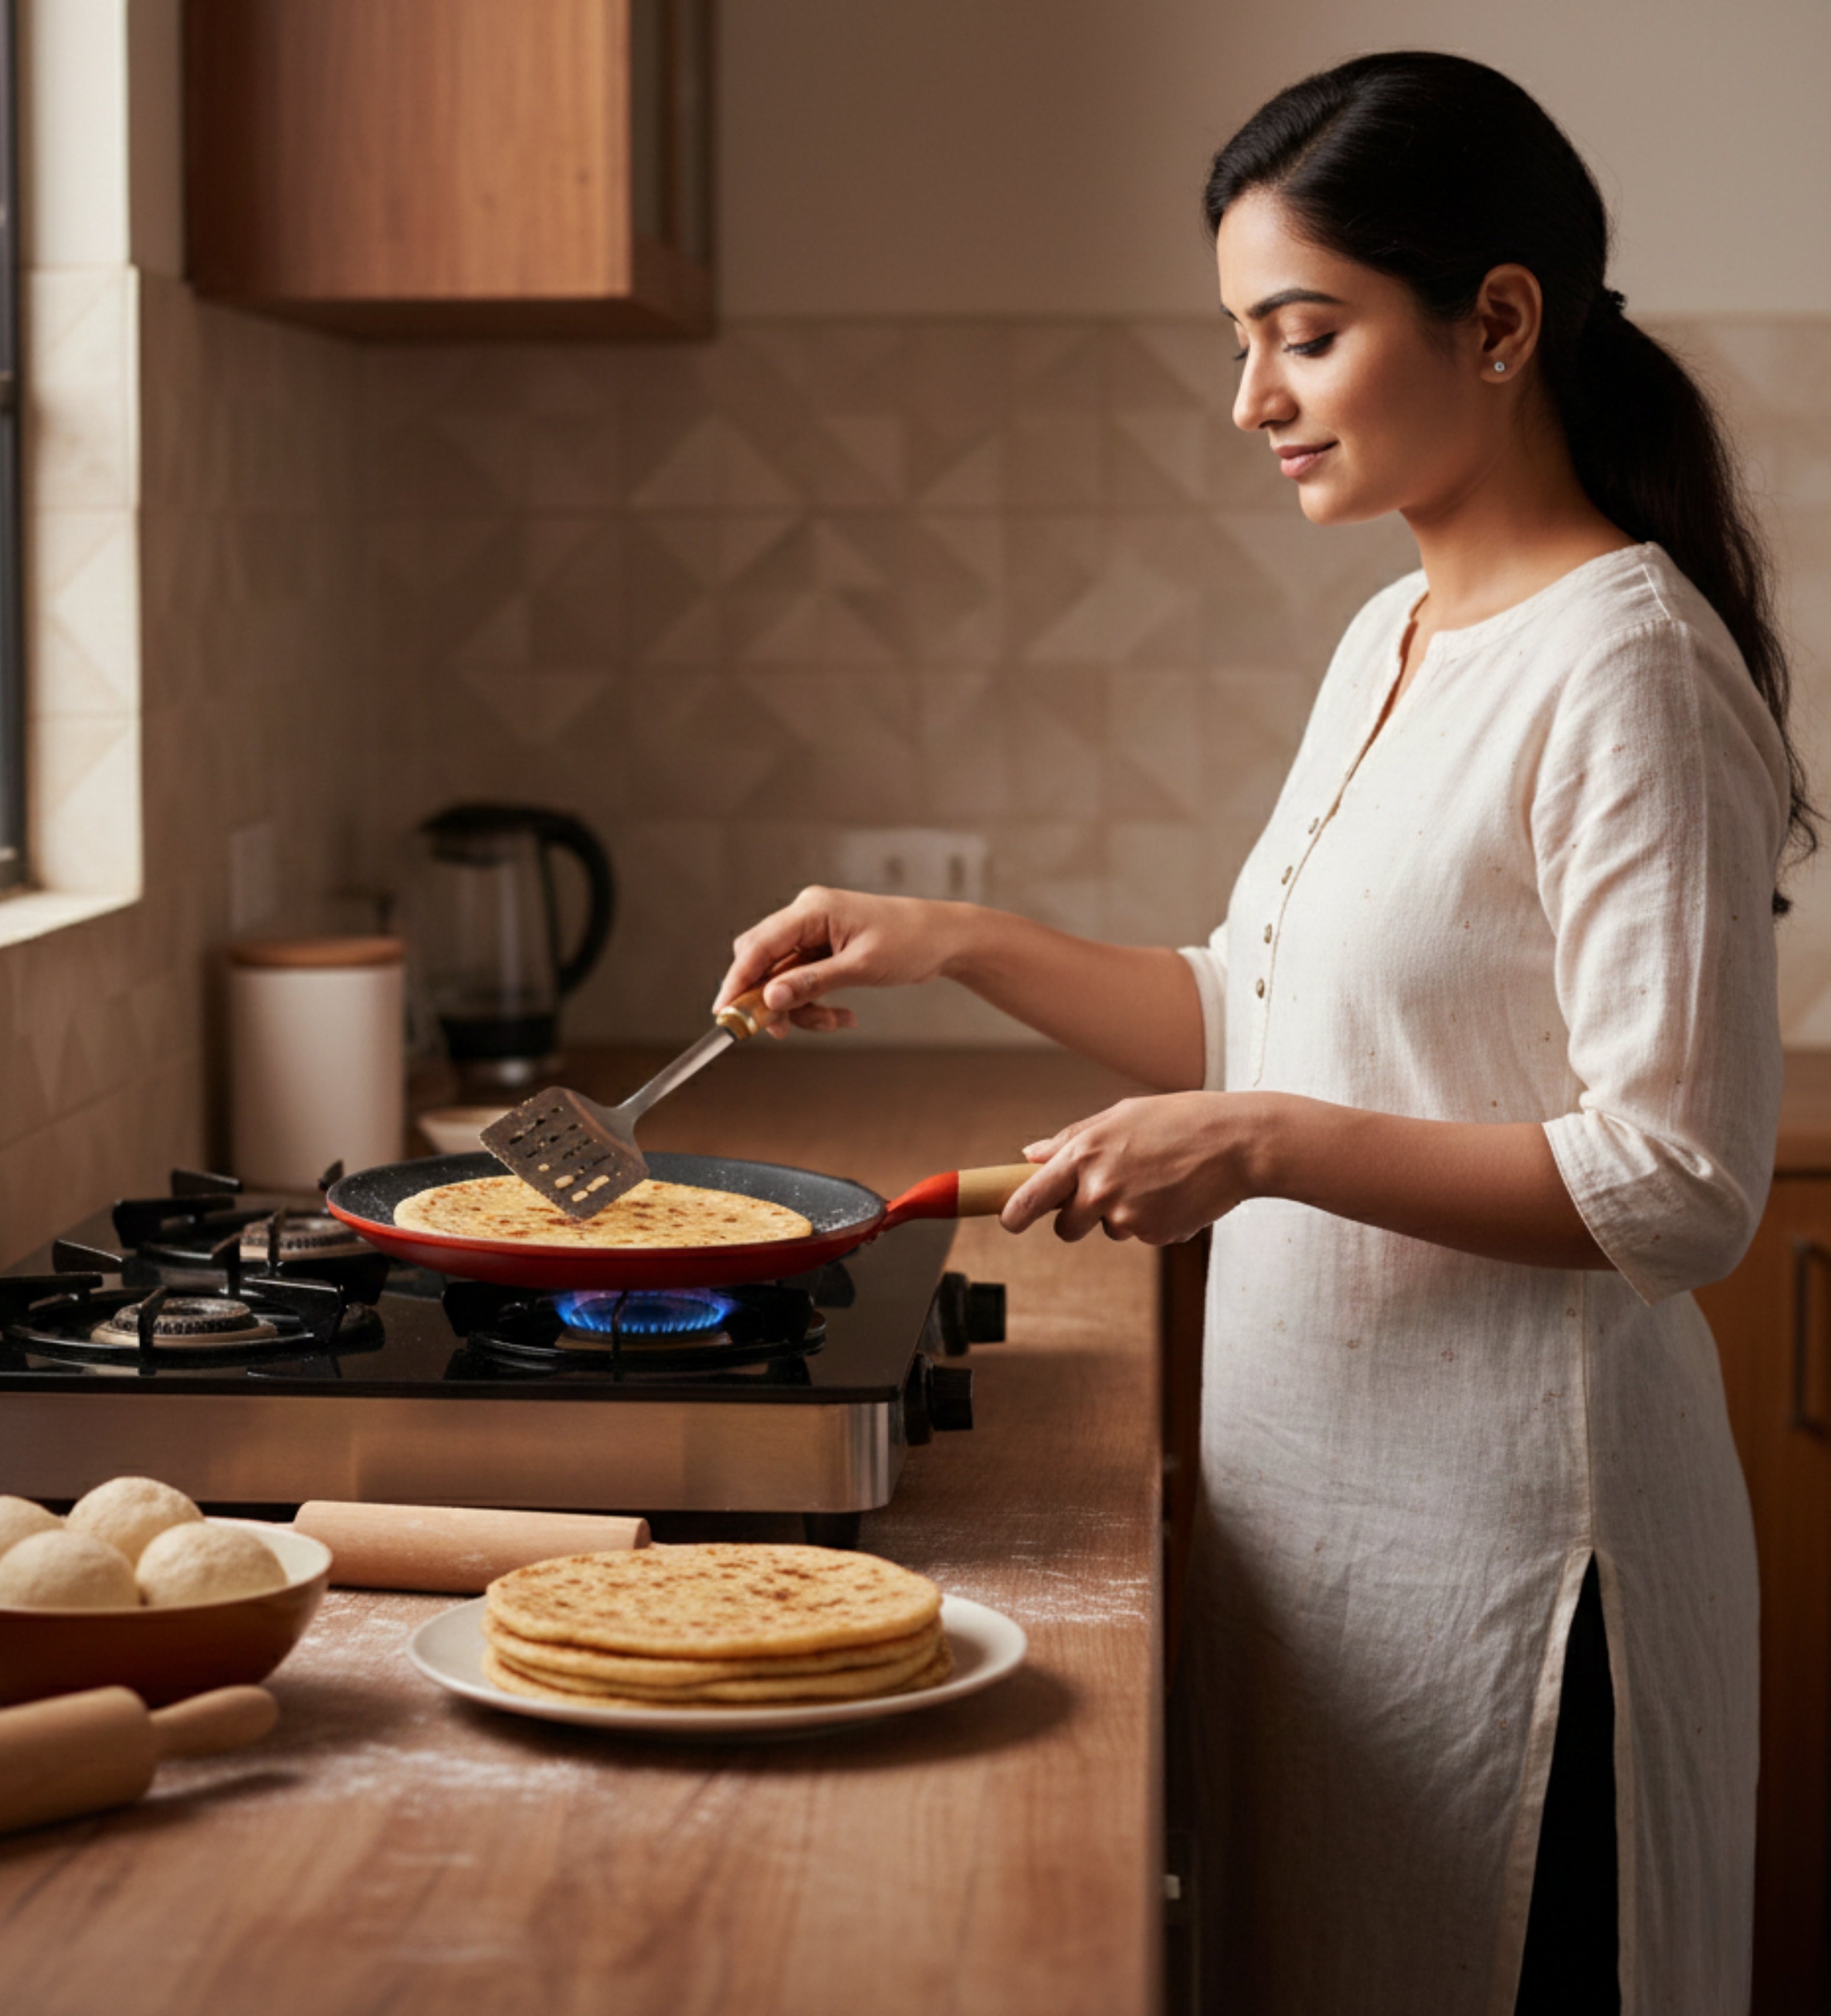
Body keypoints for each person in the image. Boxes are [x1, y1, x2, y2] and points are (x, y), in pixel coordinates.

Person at [714, 50, 1808, 2016]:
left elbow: (1679, 1185)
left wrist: (1267, 1144)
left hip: (1524, 1579)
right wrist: (952, 936)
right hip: (1329, 1536)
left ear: (1497, 322)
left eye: (1301, 337)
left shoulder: (1628, 670)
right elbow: (1249, 1001)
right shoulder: (1389, 635)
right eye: (1243, 341)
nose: (1251, 402)